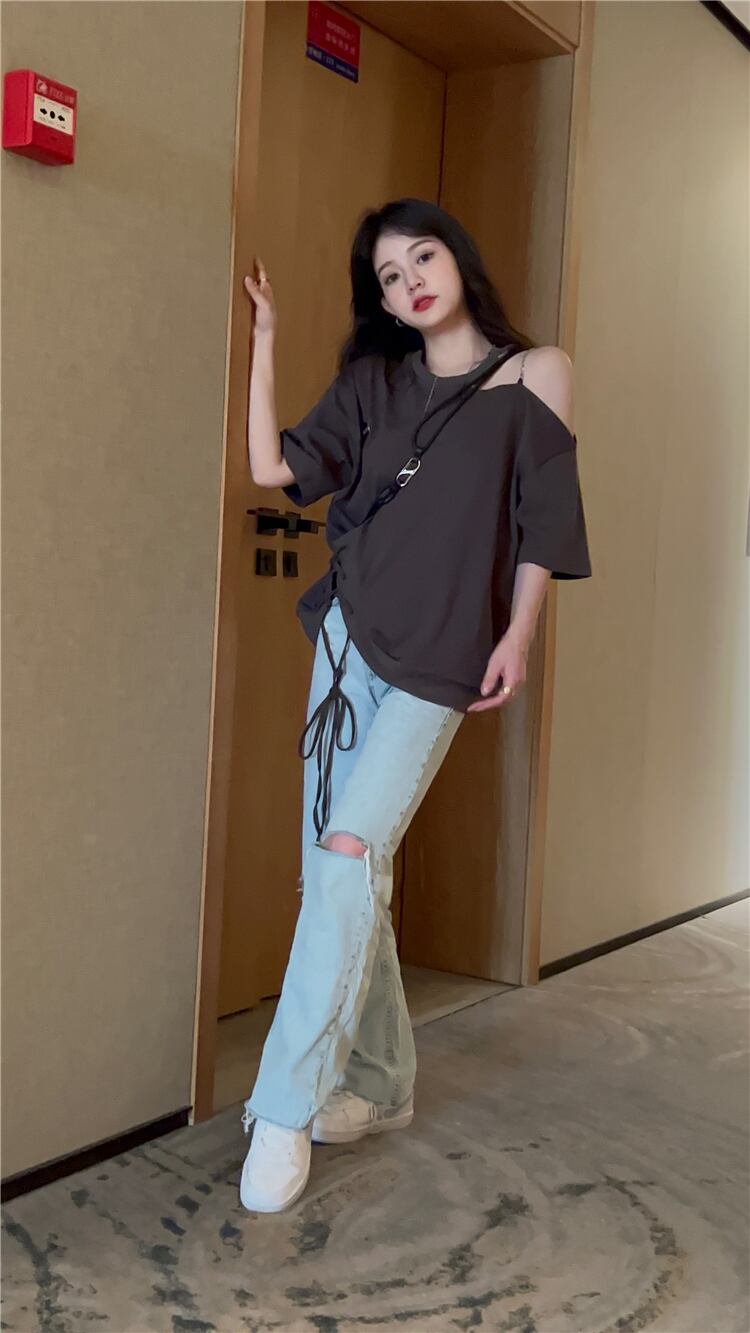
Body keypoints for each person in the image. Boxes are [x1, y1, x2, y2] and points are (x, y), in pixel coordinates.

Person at [238, 197, 592, 1213]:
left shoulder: (536, 373)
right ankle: (383, 1083)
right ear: (385, 303)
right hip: (348, 642)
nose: (411, 283)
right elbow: (273, 469)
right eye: (390, 277)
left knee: (348, 850)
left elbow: (543, 518)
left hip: (445, 658)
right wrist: (265, 341)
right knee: (343, 869)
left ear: (458, 258)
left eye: (422, 257)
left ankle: (284, 1104)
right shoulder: (373, 383)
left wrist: (518, 634)